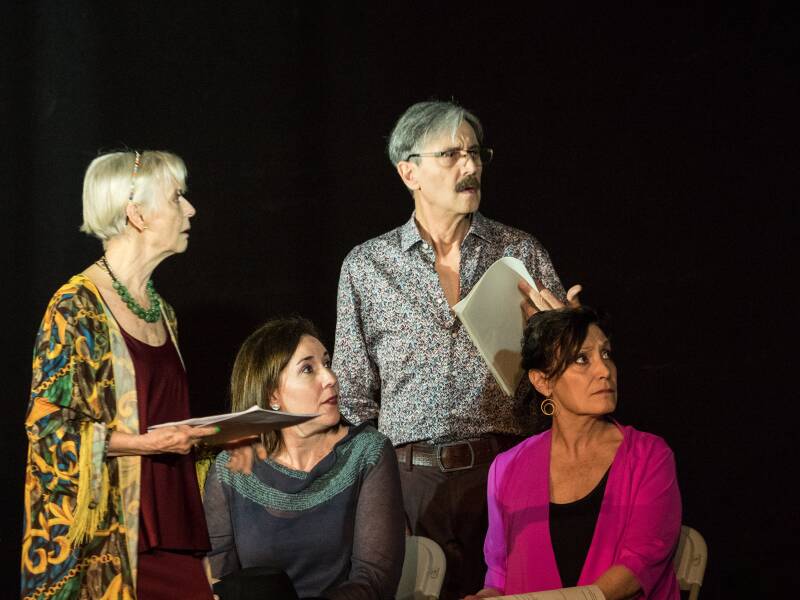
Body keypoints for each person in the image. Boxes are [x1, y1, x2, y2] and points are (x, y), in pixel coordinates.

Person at [332, 99, 578, 600]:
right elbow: (353, 398)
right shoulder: (367, 265)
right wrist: (376, 497)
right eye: (450, 155)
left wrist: (567, 335)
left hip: (505, 469)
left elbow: (565, 379)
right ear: (409, 173)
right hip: (408, 481)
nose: (470, 166)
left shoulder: (519, 252)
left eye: (475, 152)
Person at [21, 151, 218, 599]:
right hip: (107, 540)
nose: (190, 209)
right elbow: (47, 430)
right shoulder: (75, 306)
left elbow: (165, 417)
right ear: (137, 214)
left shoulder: (163, 312)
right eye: (177, 197)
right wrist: (147, 444)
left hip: (173, 531)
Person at [466, 307, 681, 600]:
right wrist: (486, 596)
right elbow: (499, 575)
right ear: (543, 381)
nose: (604, 370)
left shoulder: (650, 456)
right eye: (582, 359)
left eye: (606, 354)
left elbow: (639, 564)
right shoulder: (506, 468)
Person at [203, 317, 405, 600]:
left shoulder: (367, 452)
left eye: (327, 363)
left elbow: (374, 581)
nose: (331, 378)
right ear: (273, 395)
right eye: (308, 369)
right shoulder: (231, 469)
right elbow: (219, 582)